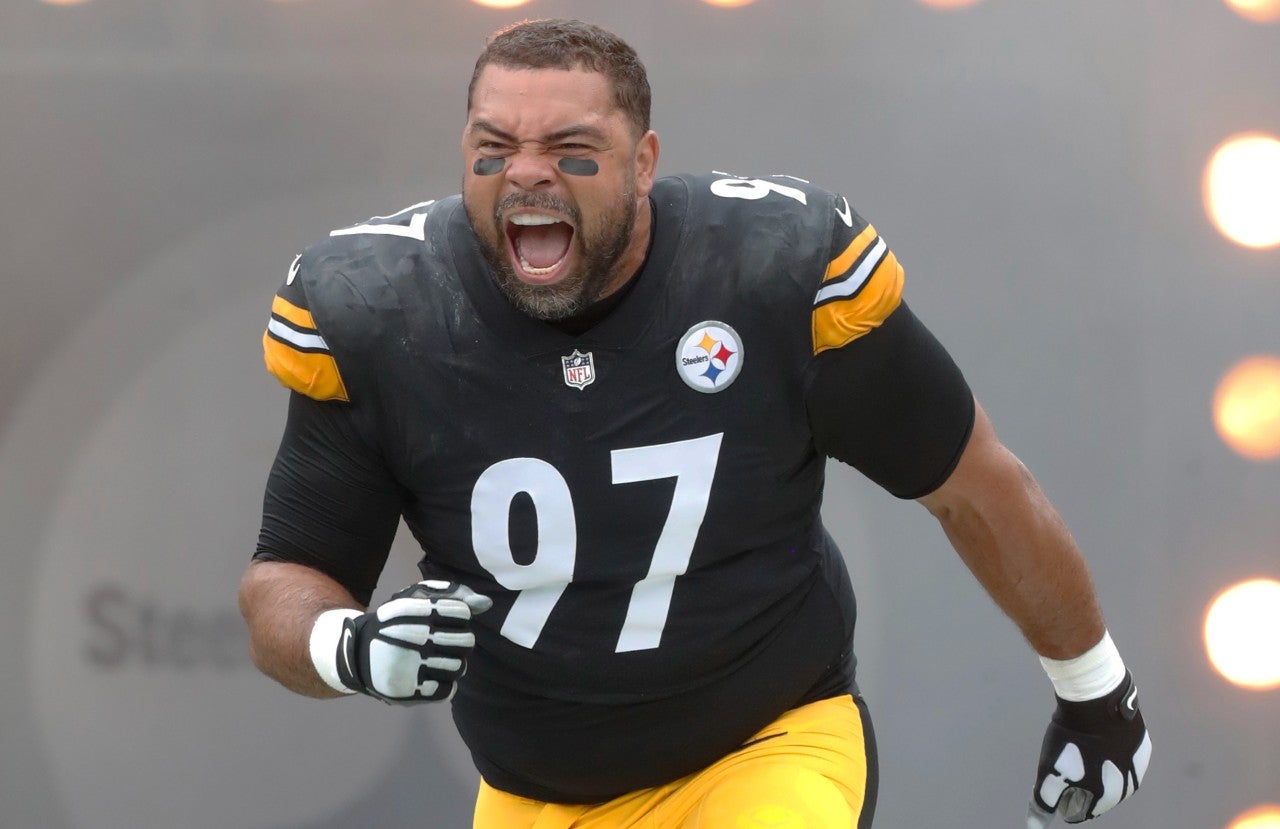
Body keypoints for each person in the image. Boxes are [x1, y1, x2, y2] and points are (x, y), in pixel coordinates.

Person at [238, 18, 1151, 829]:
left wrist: (1095, 690)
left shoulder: (769, 273)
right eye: (495, 145)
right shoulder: (380, 311)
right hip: (532, 791)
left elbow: (973, 484)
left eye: (570, 146)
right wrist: (348, 647)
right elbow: (287, 576)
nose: (526, 172)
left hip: (764, 745)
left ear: (643, 163)